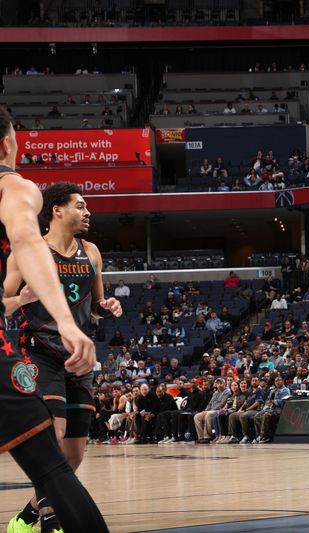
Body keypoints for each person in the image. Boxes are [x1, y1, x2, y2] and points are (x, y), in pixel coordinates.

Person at [0, 109, 108, 532]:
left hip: (70, 360)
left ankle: (32, 519)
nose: (86, 212)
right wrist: (65, 321)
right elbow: (26, 241)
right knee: (51, 462)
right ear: (7, 144)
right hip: (38, 350)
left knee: (69, 455)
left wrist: (100, 311)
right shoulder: (14, 187)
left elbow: (96, 304)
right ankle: (42, 522)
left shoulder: (92, 252)